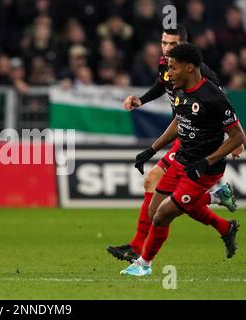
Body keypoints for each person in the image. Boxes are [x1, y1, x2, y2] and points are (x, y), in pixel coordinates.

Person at [107, 24, 243, 262]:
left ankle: (139, 249)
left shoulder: (204, 76)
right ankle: (221, 215)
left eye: (173, 44)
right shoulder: (167, 66)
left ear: (185, 46)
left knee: (164, 197)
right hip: (182, 130)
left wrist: (236, 141)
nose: (167, 49)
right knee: (168, 196)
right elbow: (162, 85)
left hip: (197, 140)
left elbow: (222, 106)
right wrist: (142, 100)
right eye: (164, 43)